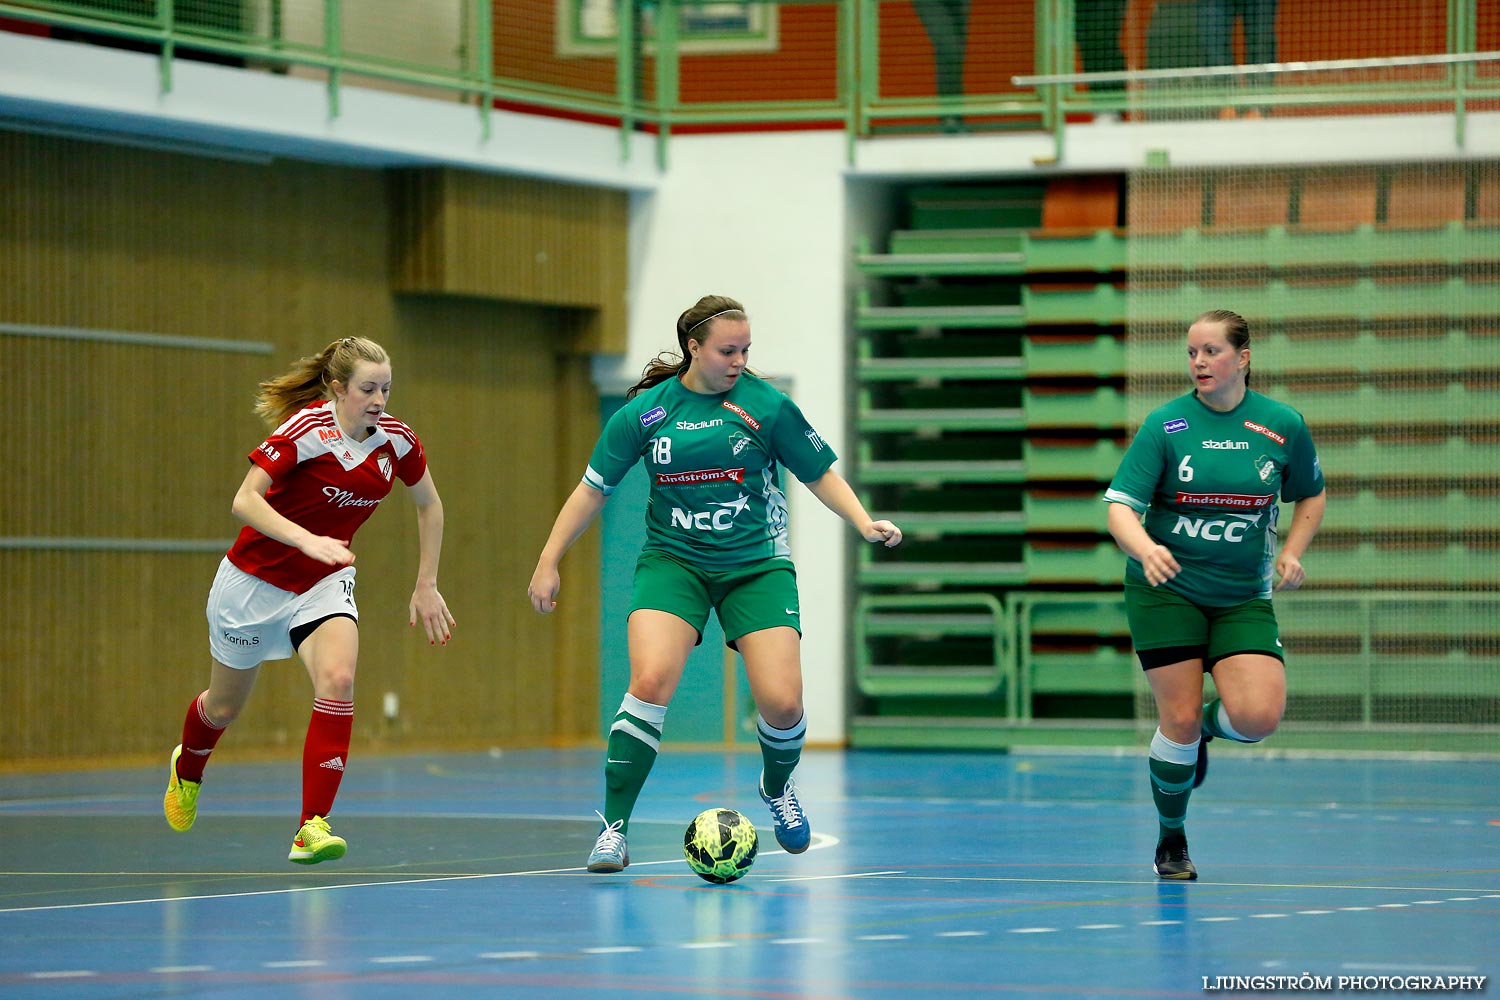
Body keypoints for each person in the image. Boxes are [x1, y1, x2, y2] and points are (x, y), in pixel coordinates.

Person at [528, 294, 903, 873]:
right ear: (693, 348)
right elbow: (592, 489)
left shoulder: (765, 406)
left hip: (756, 565)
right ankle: (614, 829)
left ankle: (776, 788)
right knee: (650, 680)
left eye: (746, 349)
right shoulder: (646, 414)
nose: (739, 360)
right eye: (728, 350)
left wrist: (863, 522)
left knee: (781, 702)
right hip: (673, 562)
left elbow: (819, 472)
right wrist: (549, 559)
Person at [162, 337, 455, 864]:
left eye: (386, 388)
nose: (379, 399)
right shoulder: (307, 432)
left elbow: (429, 505)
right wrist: (304, 538)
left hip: (323, 582)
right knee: (224, 706)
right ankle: (189, 769)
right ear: (339, 388)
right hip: (252, 584)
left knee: (339, 680)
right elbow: (244, 500)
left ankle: (311, 826)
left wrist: (426, 583)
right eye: (367, 389)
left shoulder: (397, 442)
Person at [1103, 309, 1325, 880]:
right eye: (1192, 353)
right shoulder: (1166, 425)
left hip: (1243, 596)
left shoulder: (1282, 425)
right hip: (1167, 591)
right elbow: (1120, 507)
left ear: (1243, 357)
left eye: (1211, 352)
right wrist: (1144, 549)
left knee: (1257, 717)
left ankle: (1207, 728)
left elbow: (1312, 495)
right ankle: (1171, 839)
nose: (1199, 362)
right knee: (1173, 719)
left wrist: (1293, 551)